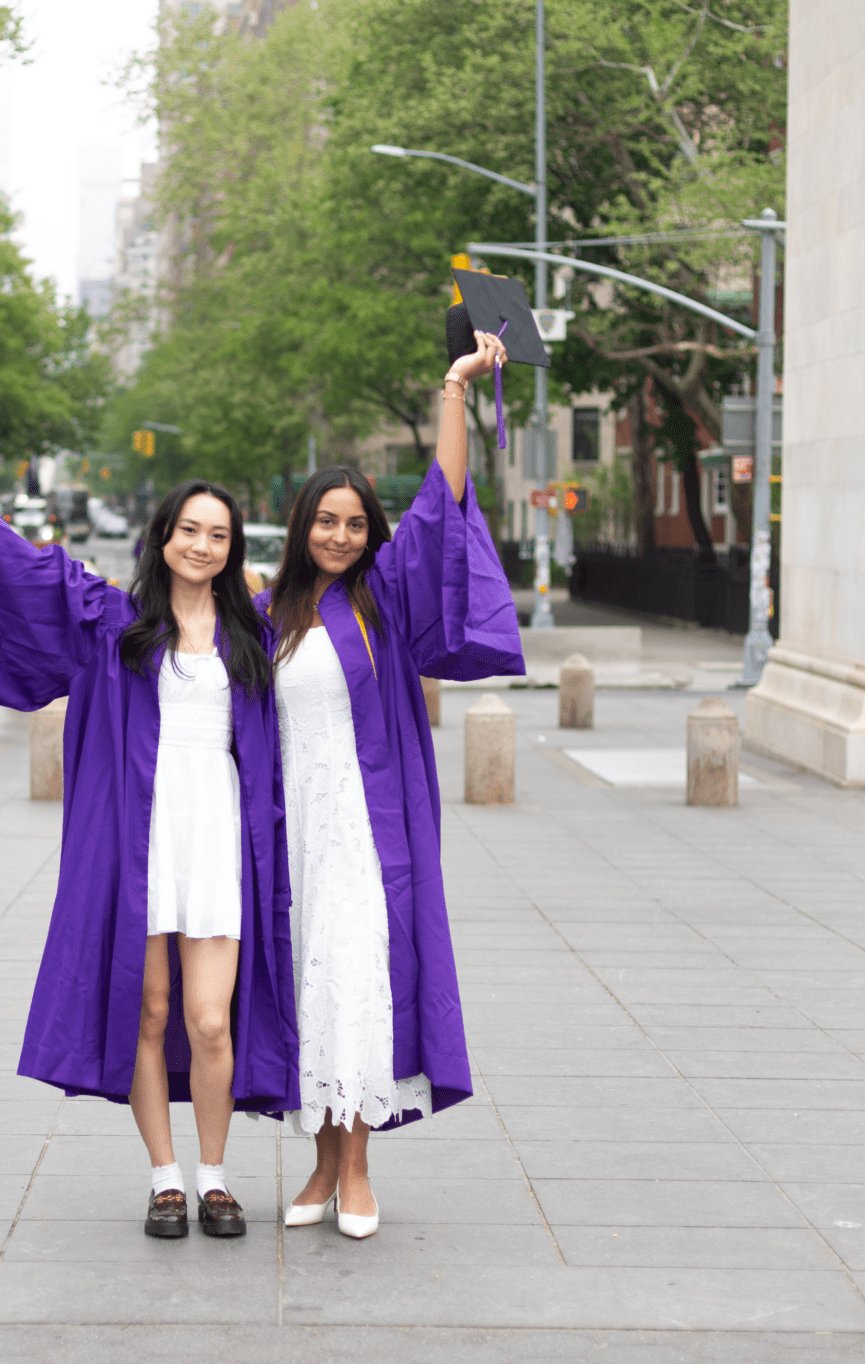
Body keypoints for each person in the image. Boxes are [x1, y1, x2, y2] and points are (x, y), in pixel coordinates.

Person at [0, 422, 298, 1241]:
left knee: (210, 1019)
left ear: (232, 547)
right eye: (190, 531)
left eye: (219, 535)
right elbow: (33, 574)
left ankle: (216, 1177)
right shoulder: (117, 620)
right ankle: (166, 1181)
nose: (203, 546)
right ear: (164, 537)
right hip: (139, 832)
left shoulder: (257, 628)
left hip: (217, 826)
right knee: (149, 1011)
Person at [260, 330, 525, 1239]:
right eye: (324, 521)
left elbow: (441, 504)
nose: (340, 535)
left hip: (370, 834)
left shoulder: (385, 600)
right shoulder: (266, 617)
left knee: (361, 979)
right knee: (308, 985)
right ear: (302, 528)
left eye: (354, 522)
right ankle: (322, 1161)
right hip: (292, 834)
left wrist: (454, 387)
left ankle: (359, 1165)